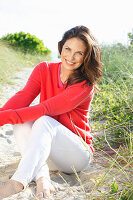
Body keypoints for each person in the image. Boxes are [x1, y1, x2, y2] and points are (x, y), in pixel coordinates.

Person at [0, 25, 102, 199]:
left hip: (75, 155)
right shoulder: (44, 69)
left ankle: (18, 182)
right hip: (46, 152)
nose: (71, 57)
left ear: (87, 57)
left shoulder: (85, 85)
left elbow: (44, 109)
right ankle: (42, 177)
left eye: (79, 53)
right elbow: (22, 98)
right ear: (61, 47)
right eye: (67, 49)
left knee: (43, 119)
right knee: (22, 120)